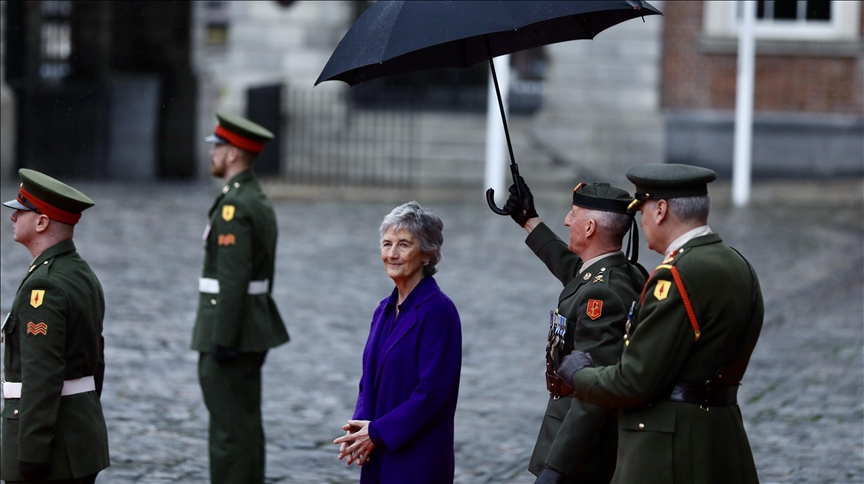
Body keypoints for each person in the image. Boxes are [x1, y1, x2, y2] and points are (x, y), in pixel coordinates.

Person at [558, 163, 764, 483]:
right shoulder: (737, 264)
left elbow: (635, 380)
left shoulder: (677, 274)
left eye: (643, 210)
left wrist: (581, 374)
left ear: (661, 210)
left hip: (668, 450)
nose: (641, 221)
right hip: (722, 438)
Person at [500, 176, 646, 484]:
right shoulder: (620, 272)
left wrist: (557, 468)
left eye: (573, 215)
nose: (567, 221)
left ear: (590, 228)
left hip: (582, 451)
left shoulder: (601, 294)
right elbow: (574, 271)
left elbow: (593, 393)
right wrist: (529, 220)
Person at [191, 112, 290, 484]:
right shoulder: (252, 197)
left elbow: (233, 278)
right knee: (244, 426)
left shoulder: (236, 205)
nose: (213, 153)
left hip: (230, 328)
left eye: (217, 147)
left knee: (229, 433)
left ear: (233, 154)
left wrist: (223, 336)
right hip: (250, 325)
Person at [333, 201, 462, 484]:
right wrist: (359, 427)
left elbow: (432, 395)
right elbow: (368, 379)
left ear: (427, 253)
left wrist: (376, 433)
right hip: (377, 451)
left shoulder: (438, 311)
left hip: (416, 459)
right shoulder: (383, 310)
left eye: (404, 244)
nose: (392, 254)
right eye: (387, 244)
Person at [1, 169, 110, 483]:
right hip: (76, 435)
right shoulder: (80, 273)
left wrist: (31, 452)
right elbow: (95, 359)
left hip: (52, 449)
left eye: (20, 211)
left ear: (41, 222)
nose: (12, 218)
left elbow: (42, 372)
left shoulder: (45, 286)